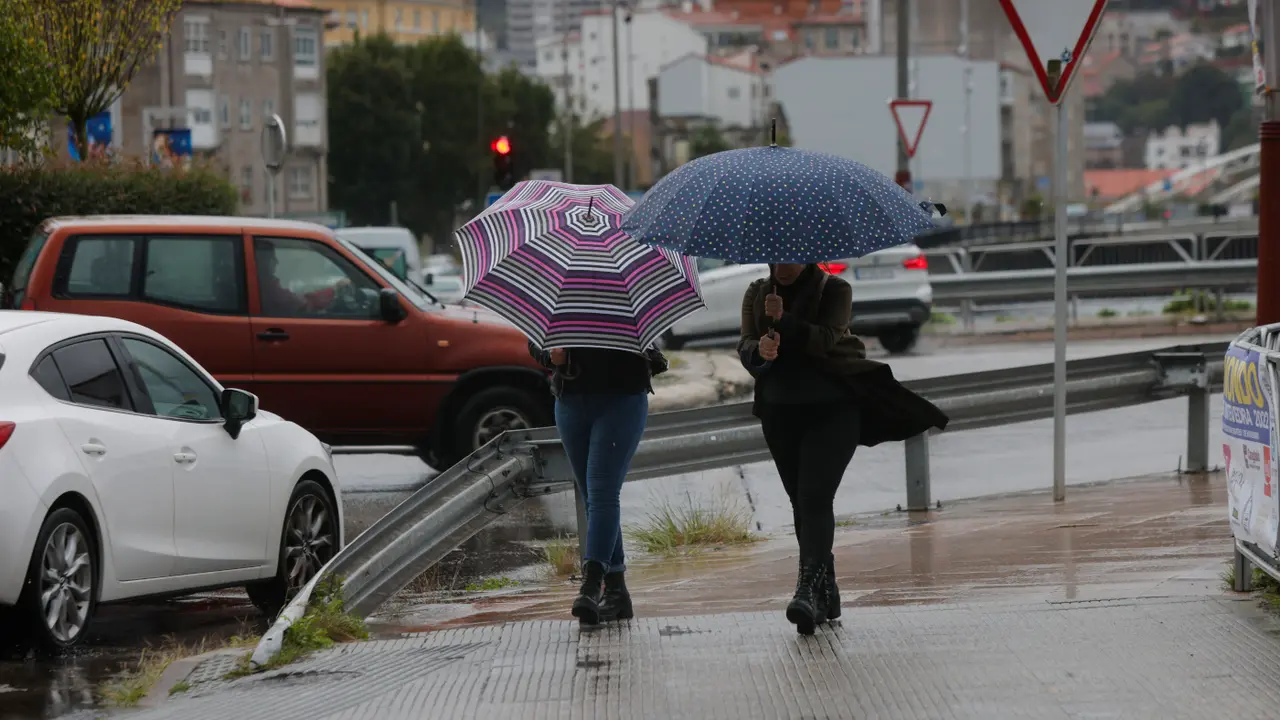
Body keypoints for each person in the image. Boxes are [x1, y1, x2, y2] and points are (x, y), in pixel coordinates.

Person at [738, 263, 948, 635]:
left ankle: (806, 590)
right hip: (779, 411)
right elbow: (746, 344)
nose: (783, 266)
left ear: (807, 255)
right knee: (799, 502)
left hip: (833, 408)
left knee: (815, 496)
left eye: (791, 257)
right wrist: (760, 350)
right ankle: (826, 591)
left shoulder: (834, 289)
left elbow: (824, 340)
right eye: (776, 258)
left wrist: (783, 320)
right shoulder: (758, 292)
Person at [528, 341, 668, 625]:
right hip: (570, 402)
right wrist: (549, 355)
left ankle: (591, 585)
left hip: (621, 399)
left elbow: (651, 345)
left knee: (602, 491)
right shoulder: (565, 297)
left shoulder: (623, 299)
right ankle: (616, 592)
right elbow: (535, 338)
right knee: (592, 495)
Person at [255, 242, 350, 316]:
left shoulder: (262, 282)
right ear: (263, 261)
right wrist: (334, 289)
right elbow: (300, 305)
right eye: (272, 258)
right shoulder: (266, 286)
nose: (277, 262)